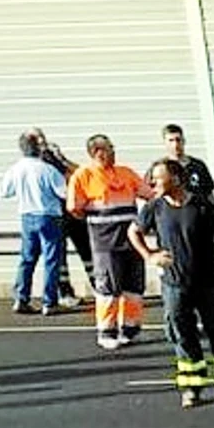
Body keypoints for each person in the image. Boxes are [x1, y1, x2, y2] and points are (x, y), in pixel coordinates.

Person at [130, 159, 214, 409]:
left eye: (158, 178)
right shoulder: (154, 207)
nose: (152, 183)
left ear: (176, 179)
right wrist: (150, 255)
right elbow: (133, 232)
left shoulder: (201, 204)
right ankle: (192, 387)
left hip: (208, 283)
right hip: (175, 285)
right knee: (183, 335)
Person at [65, 134, 153, 349]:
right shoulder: (83, 176)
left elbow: (148, 194)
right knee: (108, 286)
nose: (113, 152)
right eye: (109, 149)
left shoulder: (125, 172)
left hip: (131, 238)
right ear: (97, 153)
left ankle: (130, 327)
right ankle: (107, 331)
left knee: (134, 285)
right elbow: (74, 208)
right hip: (105, 241)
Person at [0, 131, 68, 316]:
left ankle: (21, 297)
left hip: (27, 215)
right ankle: (49, 301)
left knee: (27, 259)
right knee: (51, 259)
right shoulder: (47, 169)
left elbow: (4, 192)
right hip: (49, 216)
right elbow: (64, 193)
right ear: (38, 148)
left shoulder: (15, 169)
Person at [31, 130, 86, 308]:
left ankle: (100, 287)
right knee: (59, 254)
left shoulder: (53, 154)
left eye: (42, 139)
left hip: (70, 209)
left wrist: (60, 159)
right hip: (53, 212)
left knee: (87, 248)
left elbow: (76, 172)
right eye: (37, 140)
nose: (42, 143)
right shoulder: (34, 164)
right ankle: (64, 291)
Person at [161, 123, 214, 204]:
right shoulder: (161, 169)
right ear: (165, 143)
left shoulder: (197, 165)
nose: (175, 145)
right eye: (171, 140)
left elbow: (209, 194)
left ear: (184, 141)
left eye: (178, 140)